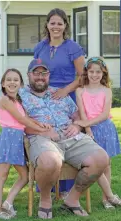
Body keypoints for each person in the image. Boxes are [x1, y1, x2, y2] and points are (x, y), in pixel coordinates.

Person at [19, 58, 121, 219]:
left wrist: (77, 126)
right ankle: (45, 199)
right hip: (41, 137)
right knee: (50, 162)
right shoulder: (21, 95)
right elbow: (18, 121)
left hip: (70, 135)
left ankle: (72, 199)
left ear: (49, 75)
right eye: (36, 73)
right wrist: (41, 131)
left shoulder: (59, 93)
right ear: (28, 75)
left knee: (101, 159)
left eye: (44, 73)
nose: (40, 77)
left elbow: (76, 113)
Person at [33, 7, 86, 196]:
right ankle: (46, 185)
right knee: (47, 136)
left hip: (66, 96)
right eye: (52, 23)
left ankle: (66, 188)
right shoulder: (40, 47)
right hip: (44, 97)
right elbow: (36, 72)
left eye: (59, 23)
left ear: (65, 26)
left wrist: (65, 90)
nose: (56, 26)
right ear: (47, 25)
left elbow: (82, 76)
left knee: (66, 137)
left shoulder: (73, 48)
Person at [0, 68, 51, 220]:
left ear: (20, 84)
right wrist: (40, 130)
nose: (12, 82)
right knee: (2, 174)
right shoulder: (5, 100)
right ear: (3, 84)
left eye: (16, 80)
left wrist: (40, 124)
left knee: (25, 176)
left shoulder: (17, 100)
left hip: (18, 139)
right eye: (9, 80)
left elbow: (27, 117)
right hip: (8, 138)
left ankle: (8, 203)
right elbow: (21, 120)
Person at [74, 57, 121, 209]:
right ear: (86, 72)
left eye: (98, 72)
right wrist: (88, 129)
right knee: (97, 164)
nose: (95, 75)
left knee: (107, 165)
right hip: (90, 130)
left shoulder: (107, 91)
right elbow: (83, 112)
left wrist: (86, 124)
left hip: (106, 128)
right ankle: (111, 195)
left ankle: (106, 199)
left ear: (103, 73)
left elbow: (105, 114)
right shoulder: (80, 91)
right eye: (91, 71)